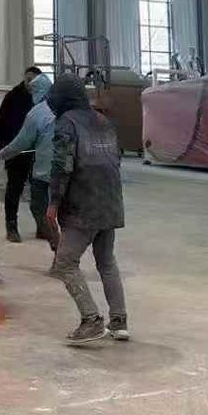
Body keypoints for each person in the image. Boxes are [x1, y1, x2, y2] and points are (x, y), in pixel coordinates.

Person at [46, 73, 128, 345]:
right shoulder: (103, 121)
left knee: (64, 263)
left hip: (83, 203)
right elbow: (116, 160)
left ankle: (91, 319)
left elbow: (62, 166)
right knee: (106, 261)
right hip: (110, 200)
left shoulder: (66, 123)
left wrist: (54, 202)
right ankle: (119, 320)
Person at [0, 71, 55, 247]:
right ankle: (12, 226)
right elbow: (4, 126)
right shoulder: (14, 98)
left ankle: (46, 231)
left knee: (39, 200)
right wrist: (6, 151)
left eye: (32, 81)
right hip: (20, 156)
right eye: (27, 80)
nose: (29, 84)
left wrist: (4, 153)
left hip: (39, 160)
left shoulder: (43, 110)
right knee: (15, 190)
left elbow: (23, 141)